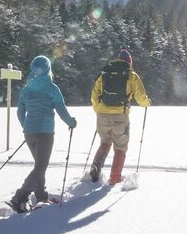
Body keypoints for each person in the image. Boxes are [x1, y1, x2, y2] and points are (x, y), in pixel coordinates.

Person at [8, 55, 77, 213]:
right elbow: (61, 109)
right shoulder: (52, 88)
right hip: (45, 132)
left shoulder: (26, 88)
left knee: (39, 166)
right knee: (40, 166)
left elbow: (20, 112)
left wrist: (26, 126)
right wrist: (71, 122)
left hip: (29, 133)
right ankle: (21, 196)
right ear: (48, 69)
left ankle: (41, 196)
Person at [89, 49, 150, 185]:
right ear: (129, 62)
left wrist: (98, 109)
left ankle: (96, 166)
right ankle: (115, 177)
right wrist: (147, 103)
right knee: (120, 147)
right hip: (120, 116)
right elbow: (140, 98)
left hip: (102, 114)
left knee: (105, 142)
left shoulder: (104, 73)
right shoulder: (131, 75)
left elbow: (94, 95)